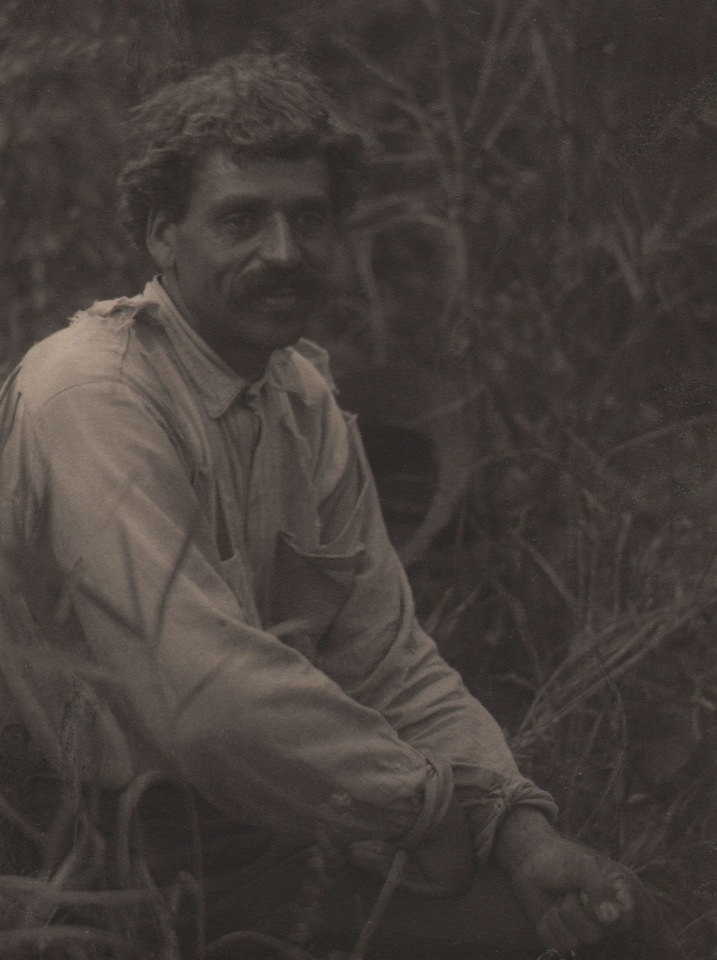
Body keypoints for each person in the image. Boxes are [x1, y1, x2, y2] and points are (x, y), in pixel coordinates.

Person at [0, 52, 663, 960]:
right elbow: (202, 700)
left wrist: (516, 829)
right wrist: (414, 806)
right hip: (96, 845)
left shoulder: (300, 400)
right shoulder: (91, 392)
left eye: (307, 218)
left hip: (269, 814)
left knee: (595, 917)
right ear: (162, 235)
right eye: (240, 219)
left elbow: (389, 665)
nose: (282, 251)